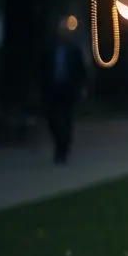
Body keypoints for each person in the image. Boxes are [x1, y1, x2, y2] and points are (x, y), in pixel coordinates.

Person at [41, 17, 88, 164]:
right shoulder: (50, 48)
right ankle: (59, 142)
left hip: (69, 88)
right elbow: (41, 67)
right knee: (52, 118)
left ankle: (63, 148)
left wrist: (82, 87)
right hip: (53, 88)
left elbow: (81, 69)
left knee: (66, 118)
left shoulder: (74, 49)